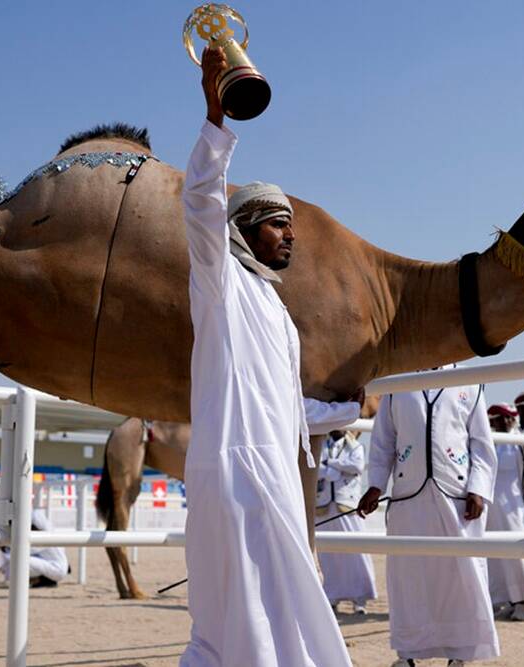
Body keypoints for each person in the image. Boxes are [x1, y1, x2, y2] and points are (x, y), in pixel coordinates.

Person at [179, 46, 360, 666]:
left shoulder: (275, 309)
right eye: (278, 223)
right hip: (233, 475)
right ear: (246, 227)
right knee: (240, 623)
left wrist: (347, 410)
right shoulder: (220, 279)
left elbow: (286, 409)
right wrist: (215, 119)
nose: (291, 234)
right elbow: (200, 203)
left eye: (291, 224)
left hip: (275, 479)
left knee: (272, 623)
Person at [358, 375, 500, 667]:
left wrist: (478, 489)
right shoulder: (397, 386)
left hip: (457, 496)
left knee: (461, 575)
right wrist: (375, 486)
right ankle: (408, 654)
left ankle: (459, 654)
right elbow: (383, 442)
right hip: (408, 496)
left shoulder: (470, 384)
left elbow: (482, 446)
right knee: (409, 575)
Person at [316, 429, 378, 614]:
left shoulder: (356, 446)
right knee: (328, 554)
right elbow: (316, 468)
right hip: (324, 504)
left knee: (355, 552)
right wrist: (334, 469)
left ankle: (360, 598)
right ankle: (332, 595)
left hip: (347, 504)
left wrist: (330, 464)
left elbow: (356, 466)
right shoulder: (320, 445)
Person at [484, 403, 524, 621]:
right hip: (491, 509)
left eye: (507, 418)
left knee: (518, 556)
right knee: (495, 557)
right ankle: (503, 599)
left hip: (513, 508)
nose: (503, 422)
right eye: (498, 418)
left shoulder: (520, 441)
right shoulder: (489, 441)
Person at [2, 509, 69, 588]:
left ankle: (42, 579)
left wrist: (5, 548)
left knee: (16, 561)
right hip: (55, 566)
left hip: (57, 570)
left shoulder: (43, 537)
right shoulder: (49, 532)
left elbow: (22, 551)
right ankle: (40, 579)